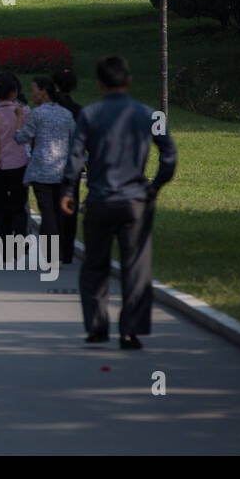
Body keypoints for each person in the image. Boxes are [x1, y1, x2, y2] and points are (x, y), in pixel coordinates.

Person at [61, 56, 177, 349]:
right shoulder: (148, 114)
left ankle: (97, 327)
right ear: (129, 81)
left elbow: (75, 155)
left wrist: (67, 191)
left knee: (94, 265)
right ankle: (130, 330)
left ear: (100, 84)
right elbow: (169, 154)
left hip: (99, 198)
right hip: (135, 200)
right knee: (136, 265)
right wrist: (156, 186)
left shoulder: (89, 114)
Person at [16, 75, 76, 261]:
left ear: (43, 92)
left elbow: (21, 138)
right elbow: (75, 138)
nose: (32, 93)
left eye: (34, 89)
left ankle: (50, 252)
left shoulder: (37, 113)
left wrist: (19, 119)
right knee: (57, 211)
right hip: (61, 168)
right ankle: (58, 250)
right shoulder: (66, 114)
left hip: (41, 169)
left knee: (47, 212)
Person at [0, 72, 31, 256]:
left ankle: (3, 245)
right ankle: (20, 241)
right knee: (19, 205)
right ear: (14, 92)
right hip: (20, 164)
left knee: (0, 206)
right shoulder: (25, 112)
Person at [50, 67, 83, 263]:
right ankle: (68, 250)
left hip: (51, 163)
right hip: (73, 164)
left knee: (53, 208)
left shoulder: (49, 109)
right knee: (70, 206)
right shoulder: (79, 110)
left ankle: (55, 250)